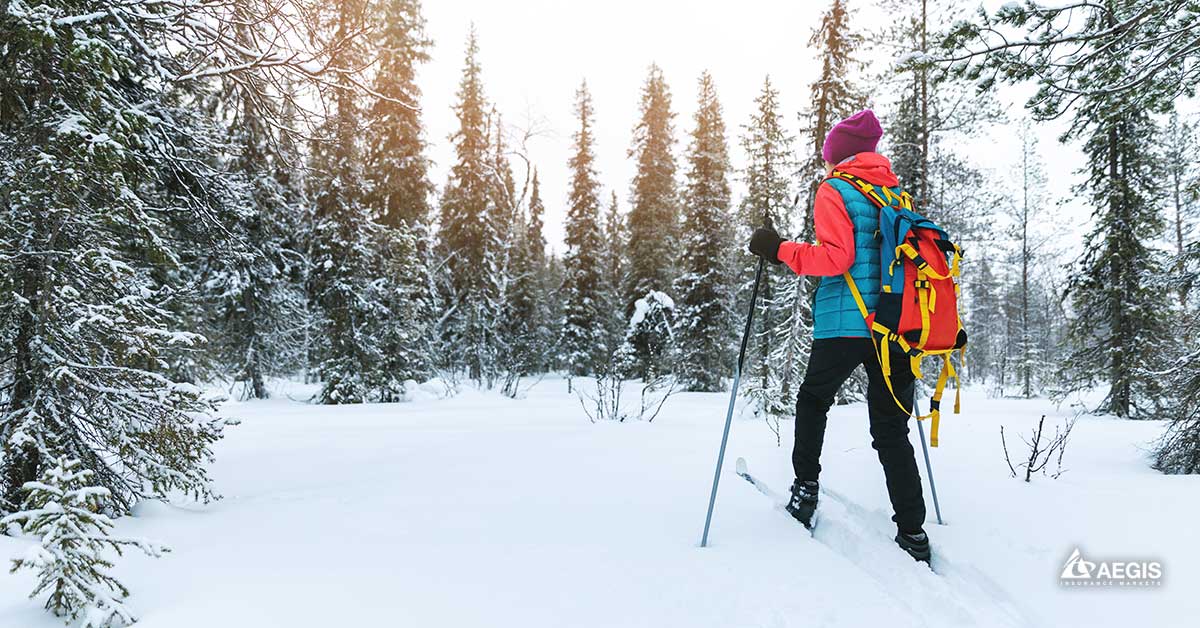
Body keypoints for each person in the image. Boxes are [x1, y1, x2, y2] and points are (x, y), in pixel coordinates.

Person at [747, 109, 930, 564]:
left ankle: (805, 490)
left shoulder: (835, 189)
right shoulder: (897, 195)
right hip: (896, 326)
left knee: (813, 401)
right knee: (891, 429)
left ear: (838, 156)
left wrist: (778, 250)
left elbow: (835, 258)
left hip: (846, 323)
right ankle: (913, 533)